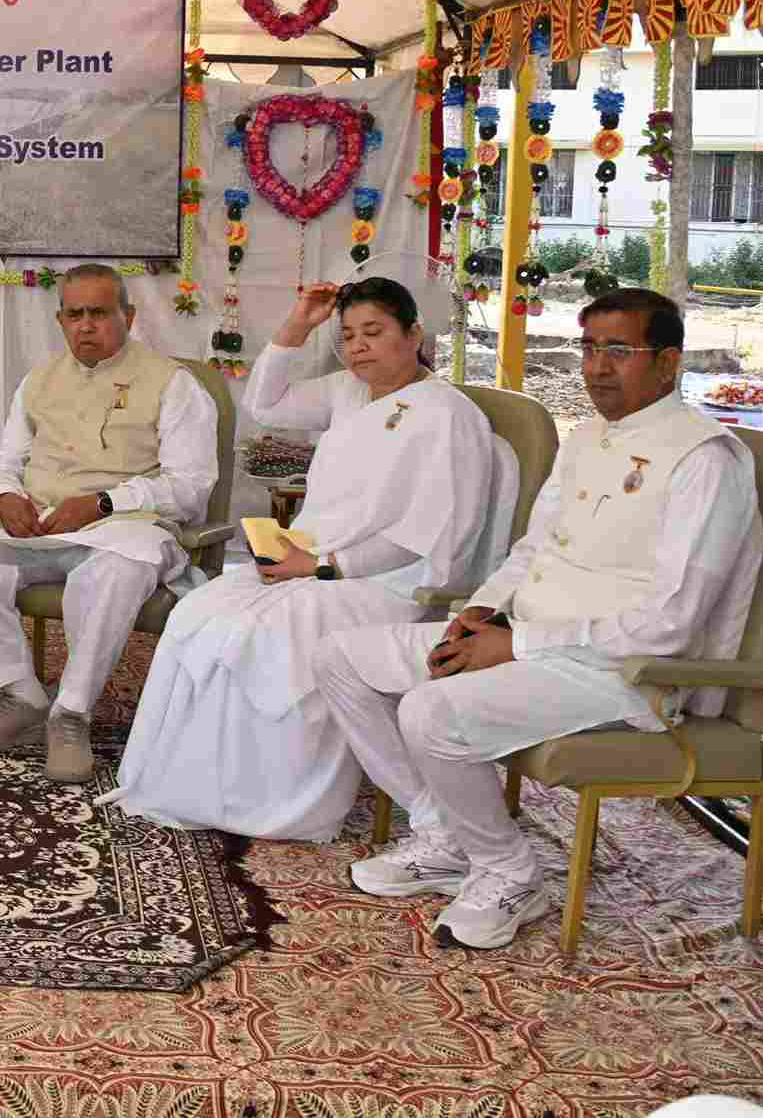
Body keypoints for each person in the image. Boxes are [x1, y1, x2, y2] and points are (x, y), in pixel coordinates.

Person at [318, 288, 762, 950]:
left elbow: (671, 622)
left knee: (430, 711)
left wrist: (515, 644)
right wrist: (480, 609)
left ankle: (510, 871)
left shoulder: (704, 460)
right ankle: (445, 833)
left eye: (619, 350)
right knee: (341, 657)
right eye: (589, 348)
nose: (597, 367)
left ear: (668, 361)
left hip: (626, 672)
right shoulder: (587, 435)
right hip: (532, 640)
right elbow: (533, 548)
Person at [108, 278, 511, 839]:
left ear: (414, 334)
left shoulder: (447, 414)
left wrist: (327, 566)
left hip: (386, 582)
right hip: (313, 560)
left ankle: (268, 799)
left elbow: (424, 535)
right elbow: (264, 404)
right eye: (348, 336)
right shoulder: (348, 390)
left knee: (260, 632)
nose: (358, 347)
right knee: (199, 610)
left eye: (374, 332)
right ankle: (189, 784)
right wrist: (298, 323)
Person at [0, 264, 219, 779]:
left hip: (120, 529)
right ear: (60, 320)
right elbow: (5, 459)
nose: (86, 325)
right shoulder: (38, 380)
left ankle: (71, 714)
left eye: (99, 313)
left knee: (121, 566)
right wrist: (3, 496)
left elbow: (191, 485)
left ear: (128, 316)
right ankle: (19, 695)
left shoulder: (174, 383)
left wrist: (104, 503)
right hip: (41, 524)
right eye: (75, 314)